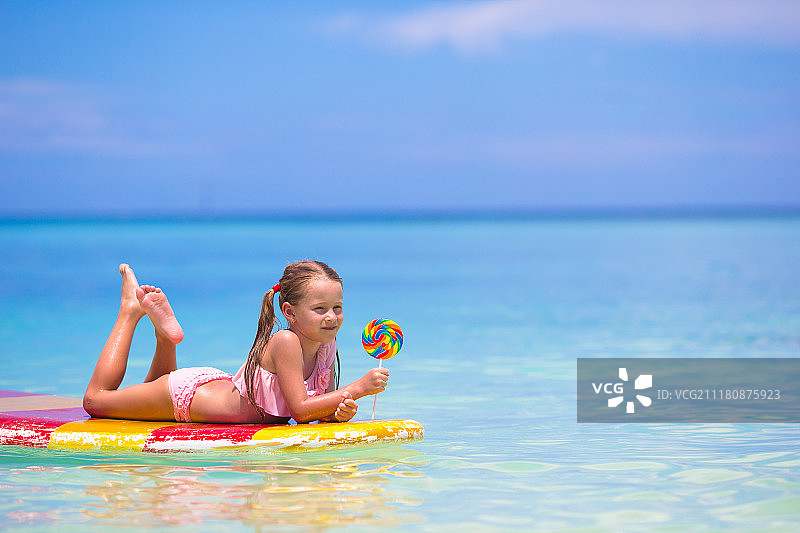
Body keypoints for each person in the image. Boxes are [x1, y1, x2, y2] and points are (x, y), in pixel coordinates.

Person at [83, 261, 389, 424]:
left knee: (152, 385)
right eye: (319, 309)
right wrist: (358, 389)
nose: (331, 317)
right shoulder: (285, 341)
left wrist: (338, 412)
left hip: (213, 387)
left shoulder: (326, 346)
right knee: (96, 401)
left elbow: (318, 409)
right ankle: (129, 311)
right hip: (187, 400)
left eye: (337, 307)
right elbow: (300, 410)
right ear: (289, 312)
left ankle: (165, 336)